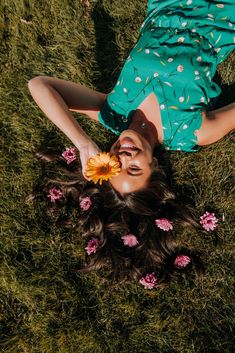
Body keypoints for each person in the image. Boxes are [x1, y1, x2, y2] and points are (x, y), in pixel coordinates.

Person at [28, 0, 234, 287]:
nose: (123, 156)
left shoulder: (114, 113)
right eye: (134, 169)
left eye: (116, 165)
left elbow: (38, 85)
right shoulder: (192, 131)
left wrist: (83, 142)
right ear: (154, 167)